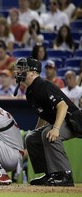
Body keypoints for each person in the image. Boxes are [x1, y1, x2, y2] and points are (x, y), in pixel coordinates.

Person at [14, 56, 82, 186]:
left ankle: (64, 174)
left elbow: (63, 106)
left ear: (33, 72)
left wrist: (55, 129)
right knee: (31, 137)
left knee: (48, 133)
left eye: (23, 69)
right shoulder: (30, 91)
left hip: (75, 120)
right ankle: (50, 174)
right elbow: (43, 114)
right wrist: (35, 131)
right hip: (64, 120)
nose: (19, 72)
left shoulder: (42, 85)